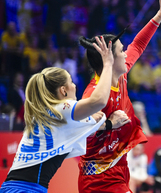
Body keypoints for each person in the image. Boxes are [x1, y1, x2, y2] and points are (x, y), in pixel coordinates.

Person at [77, 0, 161, 193]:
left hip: (119, 167)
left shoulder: (121, 74)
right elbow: (78, 128)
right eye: (120, 51)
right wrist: (109, 125)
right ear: (108, 59)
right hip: (98, 178)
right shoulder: (94, 93)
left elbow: (137, 44)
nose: (125, 54)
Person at [0, 37, 126, 193]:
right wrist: (108, 64)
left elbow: (80, 128)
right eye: (71, 82)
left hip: (16, 187)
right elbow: (98, 101)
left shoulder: (48, 113)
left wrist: (109, 124)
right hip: (26, 189)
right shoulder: (61, 108)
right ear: (63, 90)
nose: (75, 85)